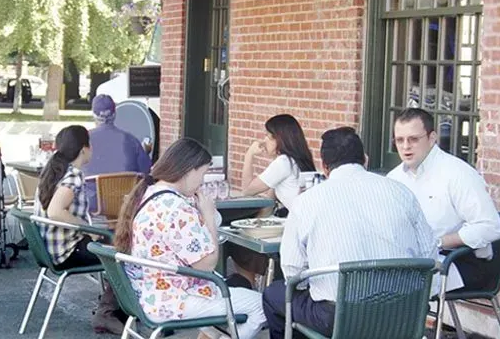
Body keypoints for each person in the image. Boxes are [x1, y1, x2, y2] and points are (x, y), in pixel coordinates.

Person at [262, 127, 437, 339]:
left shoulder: (306, 202)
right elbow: (429, 255)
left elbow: (292, 273)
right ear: (365, 159)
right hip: (404, 313)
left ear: (325, 167)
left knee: (274, 294)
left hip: (339, 317)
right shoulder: (402, 192)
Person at [115, 138, 267, 339]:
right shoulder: (177, 208)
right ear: (188, 170)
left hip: (148, 293)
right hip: (175, 298)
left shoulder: (149, 193)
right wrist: (209, 218)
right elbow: (206, 265)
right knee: (262, 306)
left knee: (227, 307)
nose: (202, 182)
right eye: (202, 174)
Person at [387, 107, 500, 291]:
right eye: (400, 140)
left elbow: (491, 227)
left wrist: (438, 241)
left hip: (460, 261)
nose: (406, 146)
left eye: (414, 139)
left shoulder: (457, 173)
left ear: (432, 138)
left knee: (394, 285)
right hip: (413, 260)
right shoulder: (394, 178)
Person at [34, 125, 124, 335]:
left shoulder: (53, 171)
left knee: (115, 244)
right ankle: (108, 313)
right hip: (68, 252)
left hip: (51, 251)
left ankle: (111, 310)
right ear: (84, 149)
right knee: (124, 255)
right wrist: (87, 228)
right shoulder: (73, 175)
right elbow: (55, 211)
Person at [231, 114, 316, 287]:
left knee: (240, 246)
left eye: (269, 137)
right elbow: (269, 199)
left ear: (280, 140)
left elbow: (247, 190)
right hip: (306, 227)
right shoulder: (299, 160)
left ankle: (249, 288)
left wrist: (249, 155)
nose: (264, 141)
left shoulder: (283, 162)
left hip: (296, 230)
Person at [82, 94, 152, 213]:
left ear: (93, 114)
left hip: (92, 205)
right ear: (114, 114)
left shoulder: (83, 140)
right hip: (124, 204)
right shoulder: (131, 140)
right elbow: (146, 172)